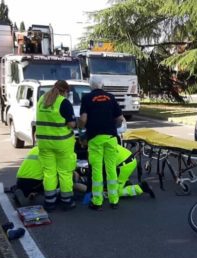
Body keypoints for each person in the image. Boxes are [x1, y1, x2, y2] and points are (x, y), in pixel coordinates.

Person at [78, 78, 125, 210]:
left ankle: (97, 202)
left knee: (97, 170)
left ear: (90, 86)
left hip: (95, 139)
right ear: (102, 85)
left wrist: (81, 128)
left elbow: (83, 119)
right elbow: (120, 118)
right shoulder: (111, 97)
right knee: (111, 169)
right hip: (111, 137)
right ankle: (114, 200)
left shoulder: (87, 98)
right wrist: (112, 126)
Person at [35, 80, 77, 211]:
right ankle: (66, 200)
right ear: (65, 91)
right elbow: (71, 124)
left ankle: (50, 201)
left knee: (49, 172)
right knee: (65, 172)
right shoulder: (63, 102)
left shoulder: (42, 100)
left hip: (44, 143)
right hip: (62, 143)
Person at [13, 146, 87, 206]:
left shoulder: (35, 149)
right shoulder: (57, 152)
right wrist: (76, 179)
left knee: (47, 173)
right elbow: (67, 172)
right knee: (66, 178)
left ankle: (28, 192)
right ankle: (61, 195)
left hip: (20, 180)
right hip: (36, 182)